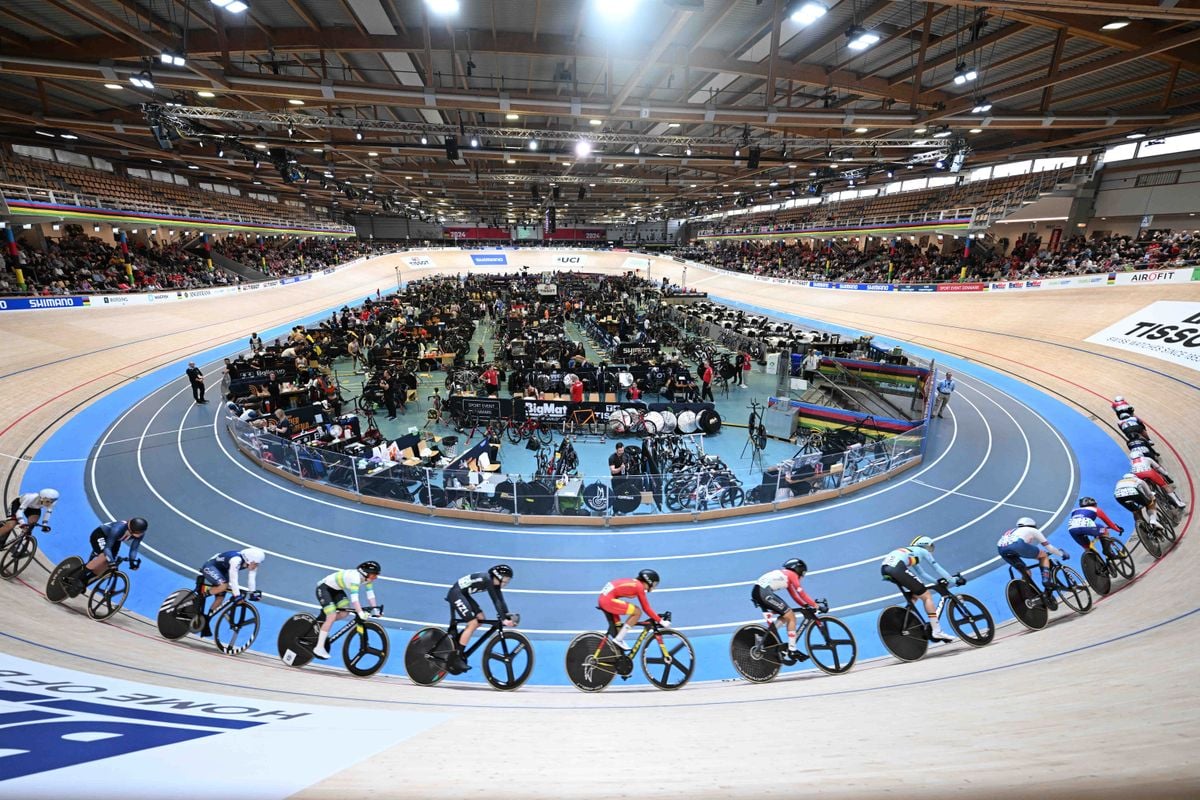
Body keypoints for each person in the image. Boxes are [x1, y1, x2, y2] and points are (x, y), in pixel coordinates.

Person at [880, 535, 964, 643]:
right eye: (930, 547)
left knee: (916, 594)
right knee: (927, 595)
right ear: (924, 546)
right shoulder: (922, 551)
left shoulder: (911, 553)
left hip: (886, 569)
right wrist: (953, 580)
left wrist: (936, 582)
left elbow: (921, 573)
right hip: (897, 568)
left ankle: (903, 619)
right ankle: (937, 631)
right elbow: (937, 567)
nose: (930, 551)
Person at [444, 564, 516, 673]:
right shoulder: (488, 580)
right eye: (505, 581)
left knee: (480, 619)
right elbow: (495, 601)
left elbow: (501, 600)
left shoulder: (494, 583)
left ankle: (458, 642)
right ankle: (457, 657)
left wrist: (507, 614)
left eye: (507, 581)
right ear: (497, 576)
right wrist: (503, 618)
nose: (505, 584)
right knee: (473, 623)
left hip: (464, 594)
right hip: (456, 593)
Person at [751, 558, 822, 661]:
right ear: (798, 570)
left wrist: (805, 605)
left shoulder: (786, 575)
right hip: (763, 593)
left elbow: (795, 596)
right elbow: (801, 593)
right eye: (802, 574)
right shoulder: (792, 575)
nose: (802, 577)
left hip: (760, 592)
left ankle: (766, 636)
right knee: (791, 616)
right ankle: (792, 650)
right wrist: (816, 606)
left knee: (786, 616)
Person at [997, 517, 1070, 610]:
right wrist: (1061, 554)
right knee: (1043, 556)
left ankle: (1026, 596)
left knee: (1026, 573)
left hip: (1001, 549)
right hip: (1018, 545)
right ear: (1033, 525)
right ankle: (1046, 580)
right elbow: (1050, 548)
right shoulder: (1032, 530)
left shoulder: (1012, 531)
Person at [313, 561, 382, 659]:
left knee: (345, 612)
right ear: (365, 573)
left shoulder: (368, 580)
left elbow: (370, 594)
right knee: (331, 616)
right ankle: (319, 648)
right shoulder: (355, 578)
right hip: (324, 588)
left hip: (336, 590)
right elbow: (355, 599)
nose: (376, 577)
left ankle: (323, 622)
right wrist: (360, 612)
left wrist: (375, 609)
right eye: (374, 575)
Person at [64, 517, 149, 595]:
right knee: (104, 557)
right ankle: (77, 579)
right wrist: (111, 560)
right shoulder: (118, 528)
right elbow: (107, 548)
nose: (142, 534)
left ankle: (84, 582)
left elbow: (134, 549)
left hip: (115, 540)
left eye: (143, 532)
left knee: (107, 566)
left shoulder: (140, 533)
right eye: (140, 533)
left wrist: (132, 562)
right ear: (132, 530)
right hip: (100, 535)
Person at [195, 546, 266, 636]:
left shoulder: (251, 563)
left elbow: (252, 578)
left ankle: (206, 619)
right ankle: (200, 596)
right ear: (249, 560)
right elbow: (234, 579)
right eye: (256, 563)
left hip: (223, 571)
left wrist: (252, 592)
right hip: (211, 567)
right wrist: (237, 595)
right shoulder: (235, 560)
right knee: (223, 586)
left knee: (220, 598)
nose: (257, 566)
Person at [598, 569, 665, 650]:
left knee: (618, 629)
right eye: (654, 584)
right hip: (607, 601)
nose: (654, 587)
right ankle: (618, 640)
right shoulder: (639, 586)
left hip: (606, 598)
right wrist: (660, 621)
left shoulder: (635, 583)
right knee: (637, 612)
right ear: (649, 581)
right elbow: (646, 608)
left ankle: (618, 646)